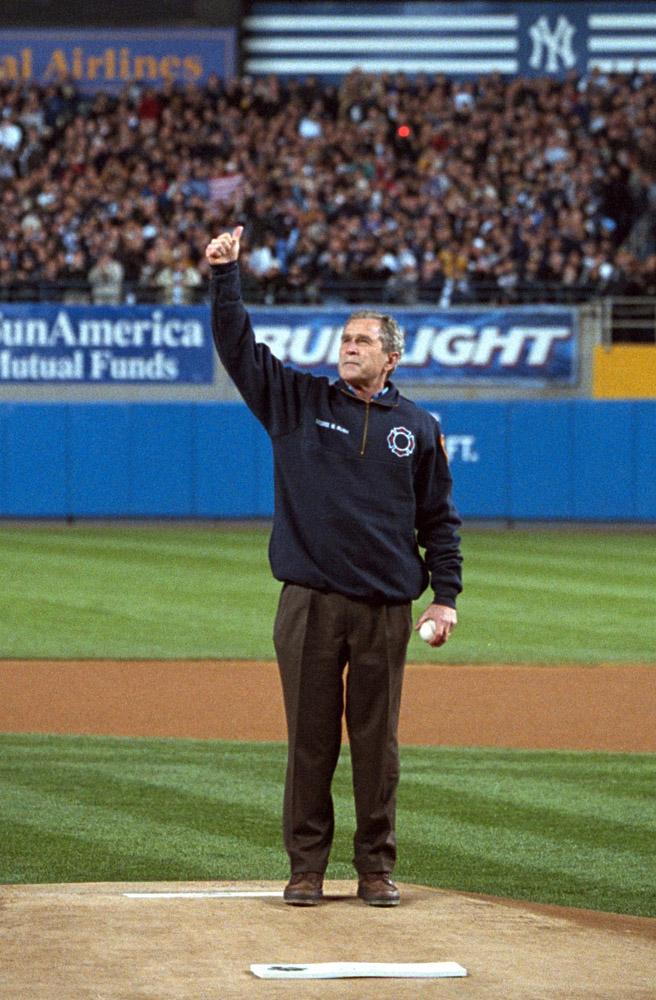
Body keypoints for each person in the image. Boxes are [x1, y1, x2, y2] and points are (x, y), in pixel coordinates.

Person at [206, 226, 462, 908]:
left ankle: (375, 868)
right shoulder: (298, 403)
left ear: (392, 357)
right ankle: (306, 869)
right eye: (344, 340)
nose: (348, 348)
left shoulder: (419, 426)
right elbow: (237, 348)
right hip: (310, 603)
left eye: (362, 341)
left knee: (377, 749)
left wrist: (445, 597)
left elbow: (439, 520)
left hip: (385, 609)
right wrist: (225, 277)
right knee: (310, 744)